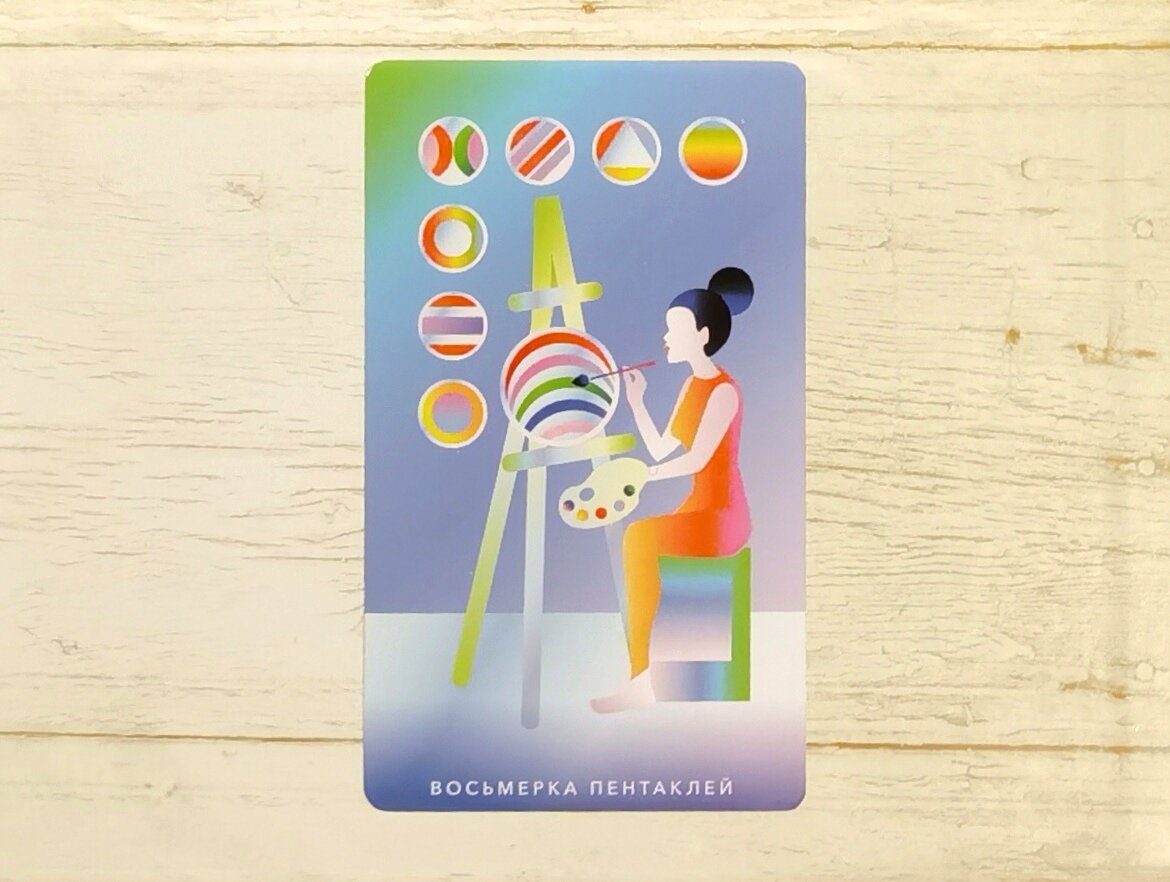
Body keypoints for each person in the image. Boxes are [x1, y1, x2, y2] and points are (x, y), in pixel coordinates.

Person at [591, 267, 754, 713]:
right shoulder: (691, 385)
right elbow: (663, 447)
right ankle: (647, 676)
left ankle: (642, 681)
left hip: (722, 515)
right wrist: (637, 402)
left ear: (702, 335)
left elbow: (697, 460)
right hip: (698, 507)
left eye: (674, 329)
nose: (665, 337)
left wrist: (643, 475)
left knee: (640, 538)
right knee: (640, 540)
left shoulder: (724, 392)